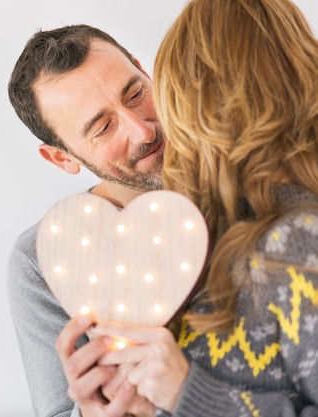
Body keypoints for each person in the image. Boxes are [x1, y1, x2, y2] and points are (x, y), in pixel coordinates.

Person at [86, 0, 318, 416]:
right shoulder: (220, 232)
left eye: (141, 92)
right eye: (101, 126)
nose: (150, 128)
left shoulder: (301, 244)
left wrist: (188, 395)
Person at [7, 24, 166, 417]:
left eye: (136, 93)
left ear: (146, 72)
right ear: (62, 158)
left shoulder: (250, 180)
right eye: (102, 127)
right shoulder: (43, 258)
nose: (142, 129)